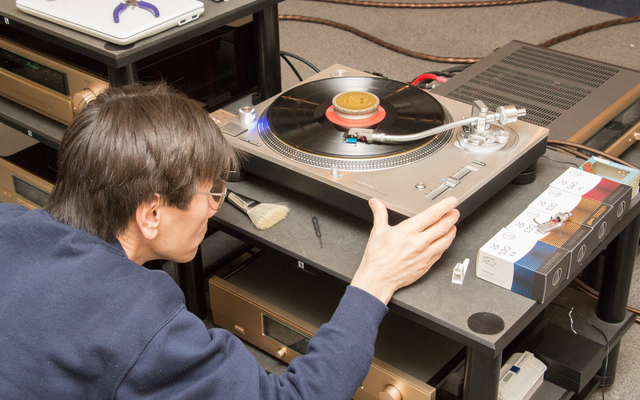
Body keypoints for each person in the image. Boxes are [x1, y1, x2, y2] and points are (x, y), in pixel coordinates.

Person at [0, 82, 459, 399]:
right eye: (211, 193)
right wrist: (375, 281)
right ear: (152, 214)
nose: (215, 207)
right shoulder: (141, 326)